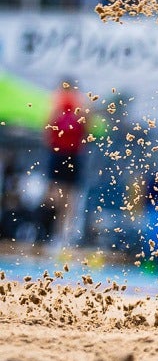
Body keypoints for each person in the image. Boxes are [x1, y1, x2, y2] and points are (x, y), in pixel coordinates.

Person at [42, 80, 89, 248]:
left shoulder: (73, 105)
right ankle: (54, 232)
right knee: (58, 196)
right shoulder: (64, 105)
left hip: (67, 154)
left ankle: (60, 234)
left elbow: (47, 129)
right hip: (64, 153)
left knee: (65, 197)